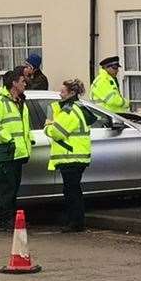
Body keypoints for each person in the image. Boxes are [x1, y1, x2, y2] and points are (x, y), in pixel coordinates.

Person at [0, 69, 33, 225]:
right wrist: (10, 140)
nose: (25, 83)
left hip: (18, 151)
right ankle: (4, 220)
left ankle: (10, 218)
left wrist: (28, 140)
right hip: (7, 150)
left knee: (13, 187)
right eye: (22, 81)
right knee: (6, 188)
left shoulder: (20, 101)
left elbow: (25, 126)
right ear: (14, 83)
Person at [46, 78, 91, 232]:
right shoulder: (77, 107)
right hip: (76, 156)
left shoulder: (69, 110)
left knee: (71, 191)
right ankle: (76, 221)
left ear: (72, 93)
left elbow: (57, 133)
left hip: (71, 156)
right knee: (73, 189)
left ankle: (75, 222)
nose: (60, 94)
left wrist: (48, 126)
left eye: (63, 91)